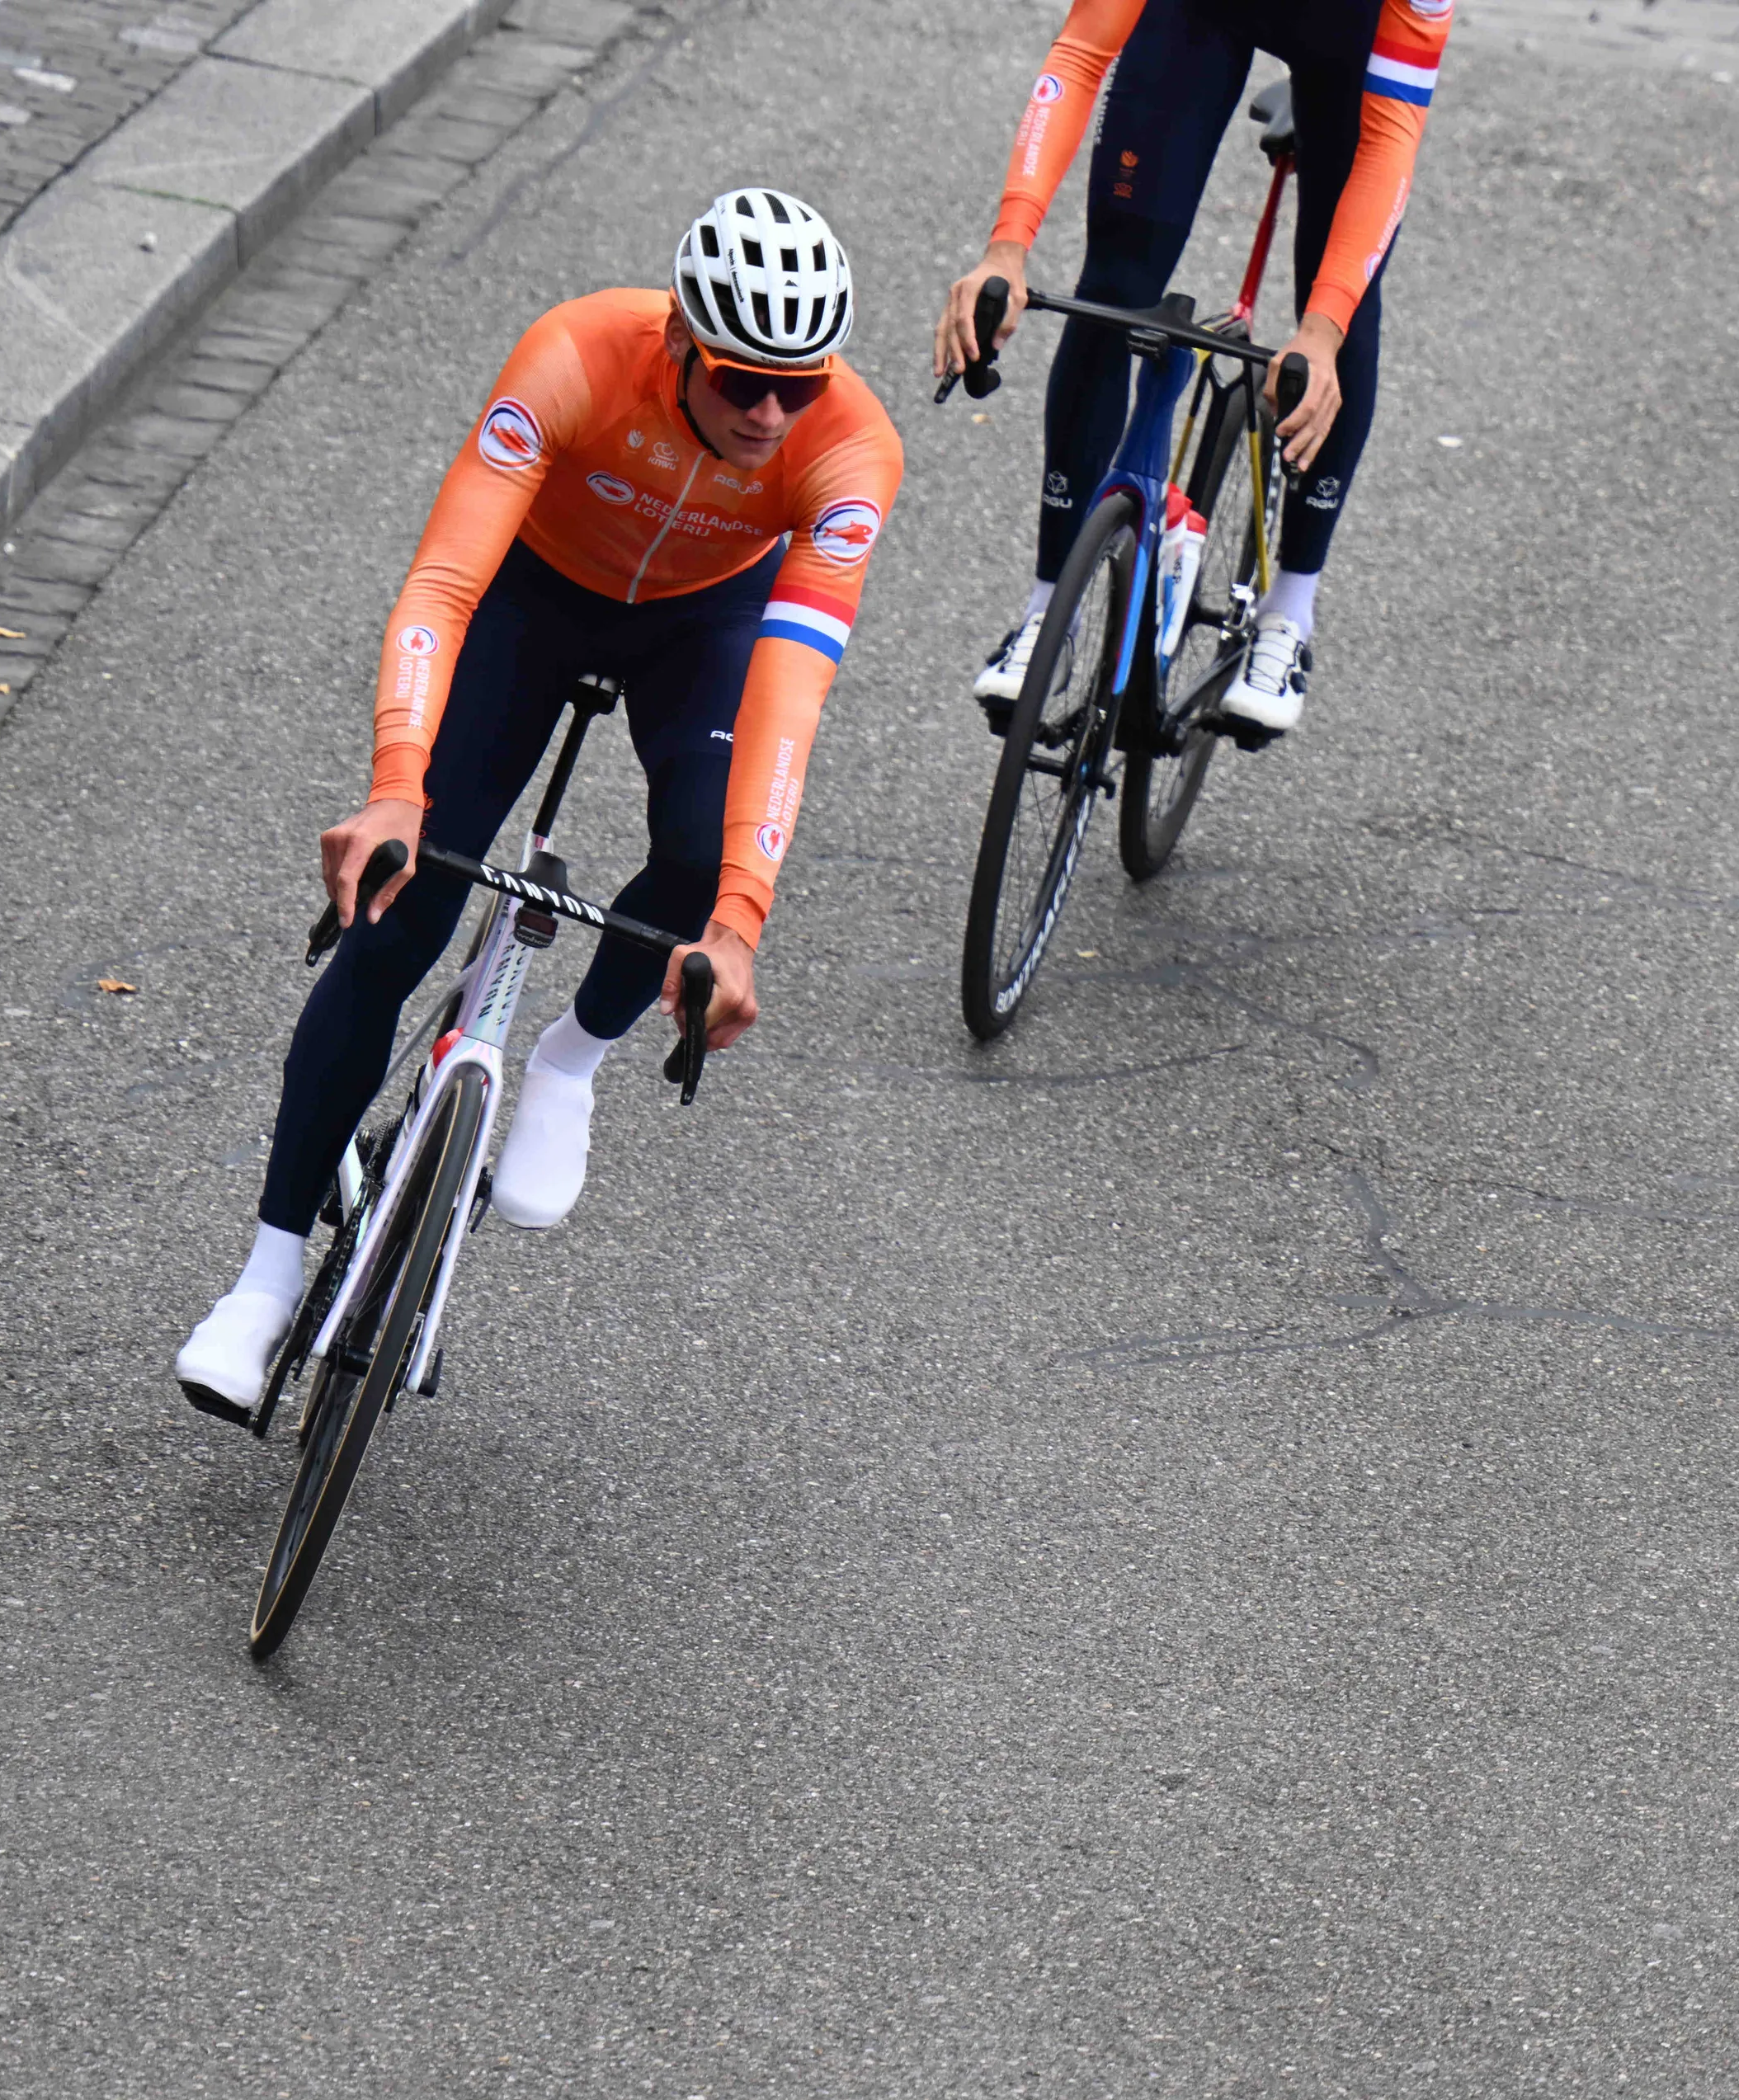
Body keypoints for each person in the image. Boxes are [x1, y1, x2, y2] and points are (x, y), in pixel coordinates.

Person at [175, 187, 905, 1420]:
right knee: (399, 912)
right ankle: (264, 1281)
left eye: (800, 385)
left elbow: (790, 695)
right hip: (536, 594)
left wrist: (738, 922)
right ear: (680, 340)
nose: (772, 414)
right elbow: (443, 584)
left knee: (698, 847)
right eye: (743, 381)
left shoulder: (850, 450)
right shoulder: (576, 352)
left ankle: (570, 1062)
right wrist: (396, 789)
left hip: (707, 622)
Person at [935, 0, 1451, 737]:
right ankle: (1049, 614)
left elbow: (1391, 136)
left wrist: (1320, 329)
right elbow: (1081, 52)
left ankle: (1289, 613)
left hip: (1349, 46)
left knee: (1337, 317)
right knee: (1114, 288)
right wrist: (1007, 247)